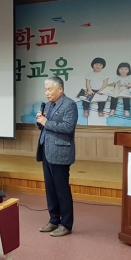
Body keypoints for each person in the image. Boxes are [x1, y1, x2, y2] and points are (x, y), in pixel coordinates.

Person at [36, 76, 78, 237]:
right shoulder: (48, 105)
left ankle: (66, 224)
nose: (47, 93)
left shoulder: (69, 105)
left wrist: (46, 122)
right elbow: (44, 126)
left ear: (60, 89)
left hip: (60, 152)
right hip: (46, 150)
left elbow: (68, 127)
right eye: (45, 89)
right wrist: (39, 121)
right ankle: (54, 220)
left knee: (61, 189)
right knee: (50, 189)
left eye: (50, 89)